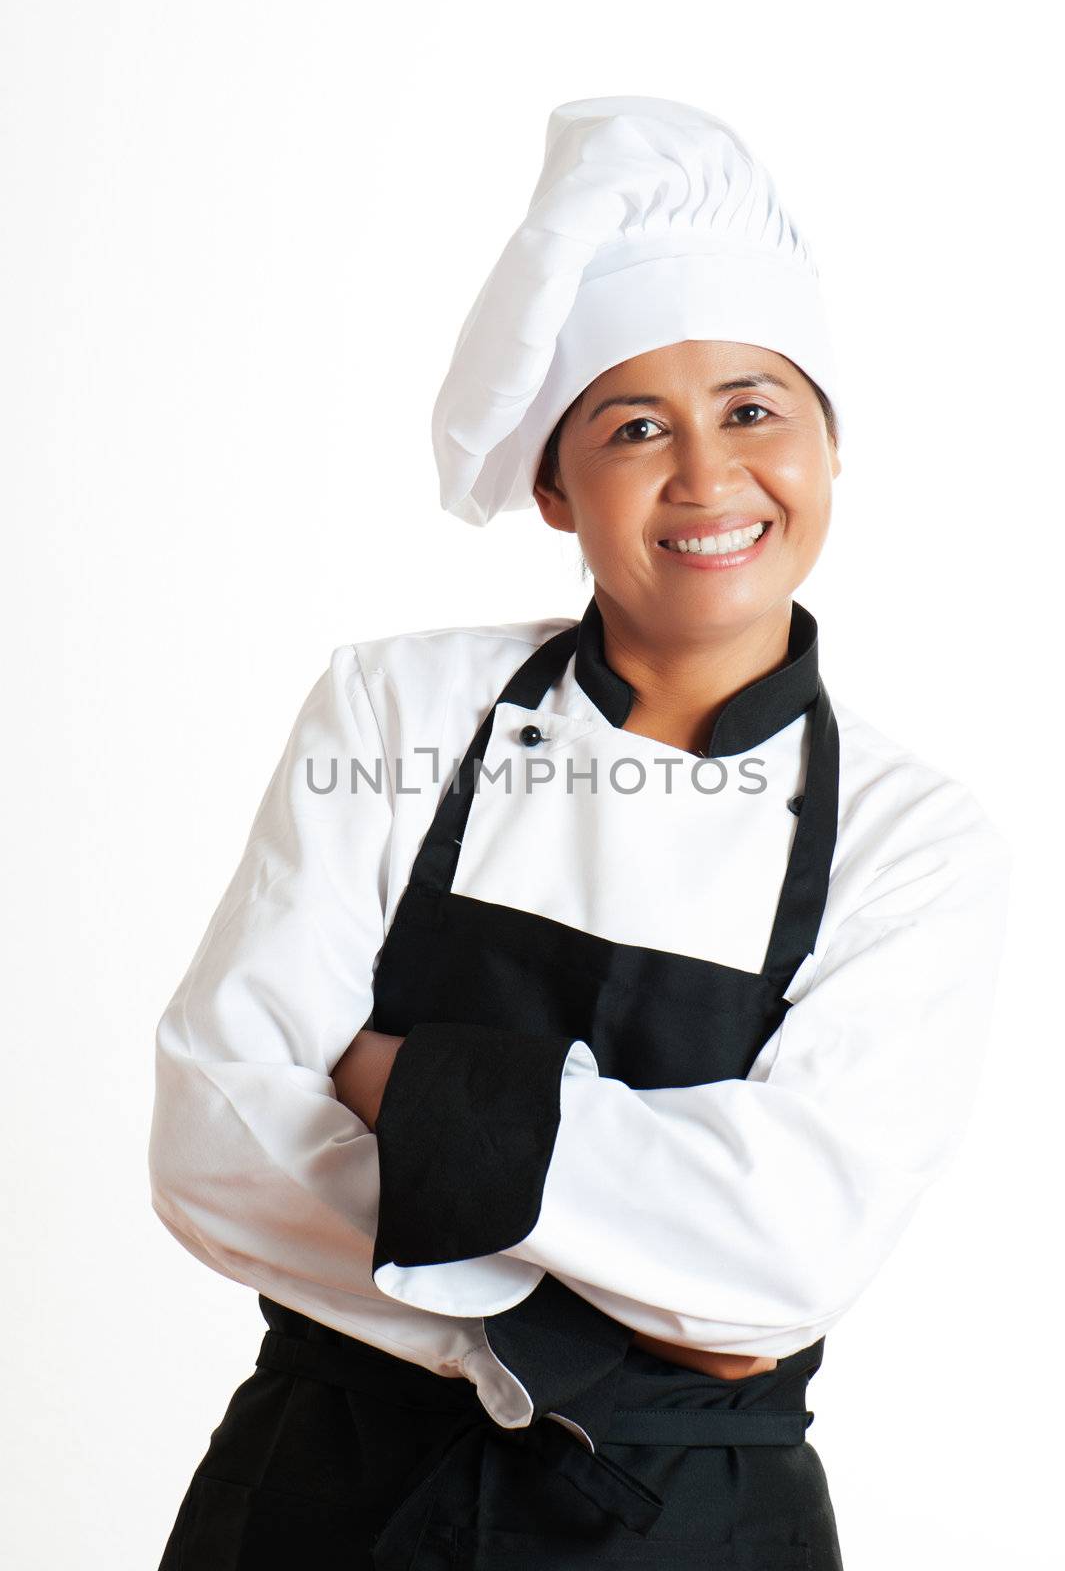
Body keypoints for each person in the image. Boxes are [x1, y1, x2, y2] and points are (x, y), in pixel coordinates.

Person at [150, 96, 1012, 1569]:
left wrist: (396, 1081)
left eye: (751, 408)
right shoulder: (395, 710)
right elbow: (217, 1134)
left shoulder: (909, 836)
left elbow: (783, 1254)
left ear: (828, 444)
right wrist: (613, 1309)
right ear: (554, 486)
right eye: (631, 427)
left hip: (690, 1529)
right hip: (323, 1502)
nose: (703, 475)